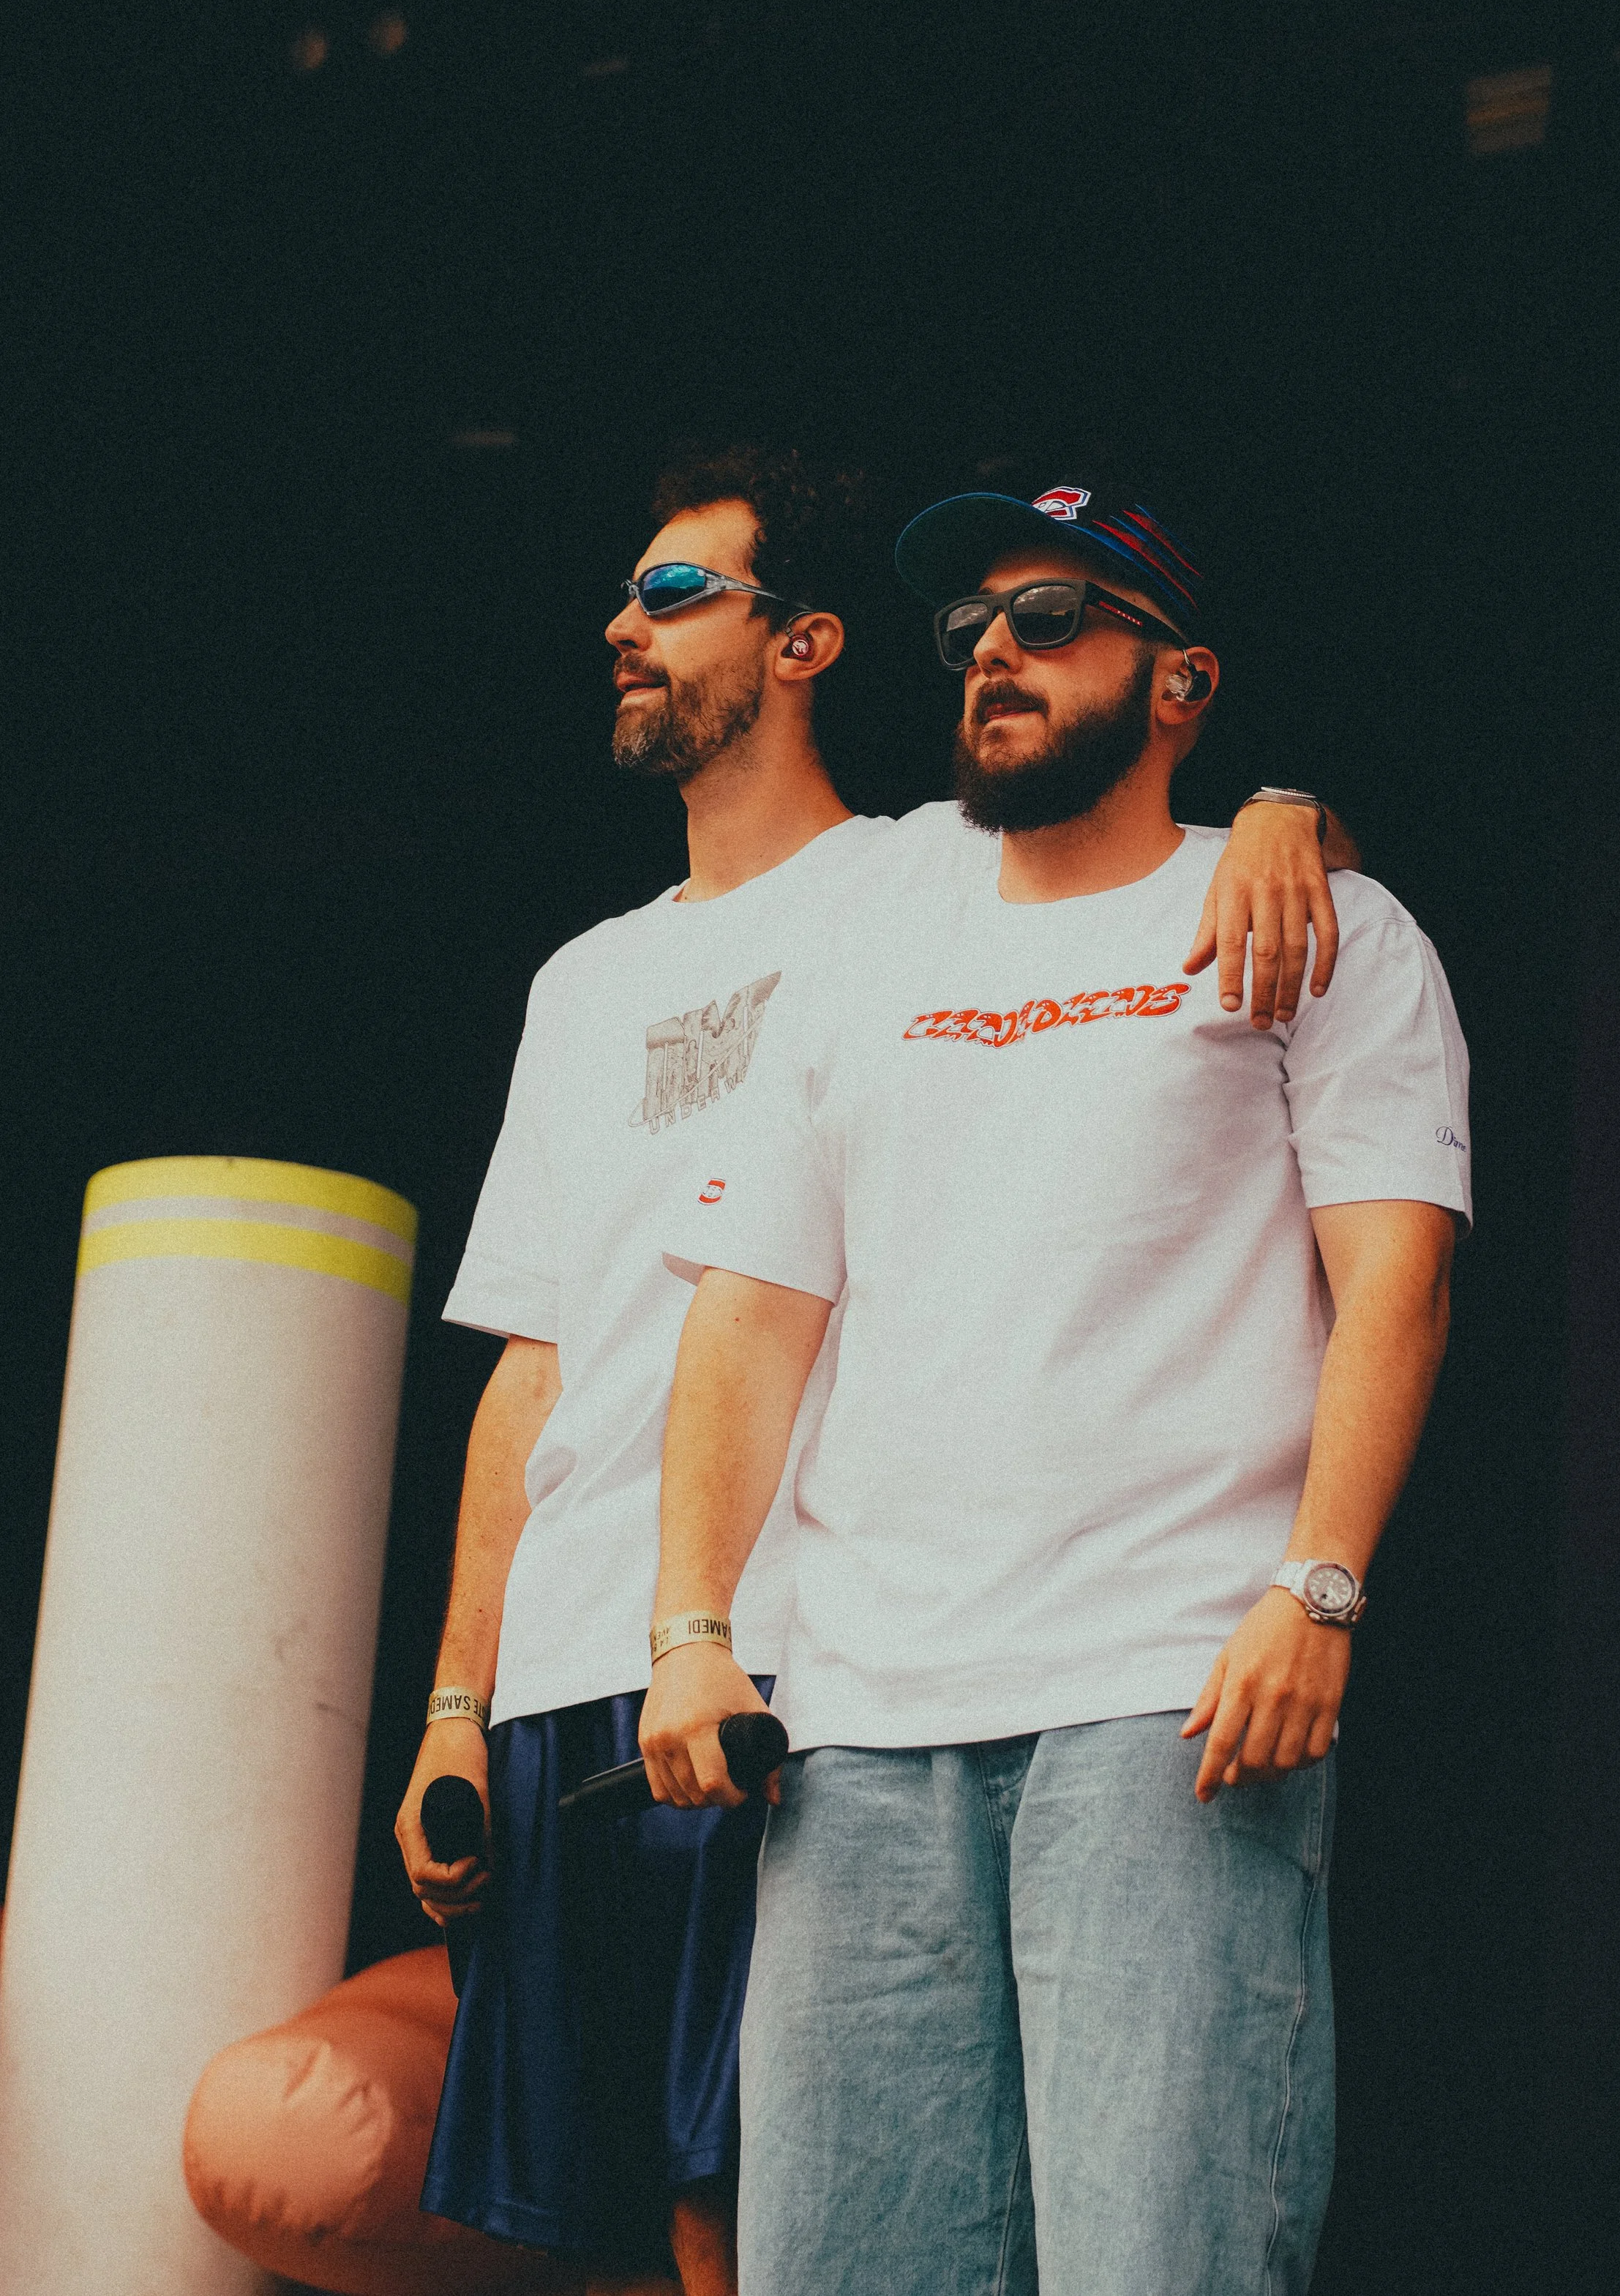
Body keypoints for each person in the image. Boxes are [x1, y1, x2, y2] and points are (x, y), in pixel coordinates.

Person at [394, 449, 1357, 2296]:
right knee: (617, 2217)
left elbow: (1172, 876)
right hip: (588, 1661)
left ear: (809, 642)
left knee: (775, 2202)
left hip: (809, 1663)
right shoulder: (579, 979)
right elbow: (536, 1352)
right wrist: (456, 1701)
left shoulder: (931, 873)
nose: (621, 624)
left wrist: (1293, 806)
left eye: (676, 595)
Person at [640, 478, 1471, 2296]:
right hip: (854, 1730)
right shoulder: (868, 942)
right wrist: (692, 1625)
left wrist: (1317, 1583)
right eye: (968, 633)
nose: (994, 652)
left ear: (1180, 682)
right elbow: (747, 1316)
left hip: (1164, 1701)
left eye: (1050, 619)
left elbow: (1390, 1278)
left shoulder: (1315, 923)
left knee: (1154, 2258)